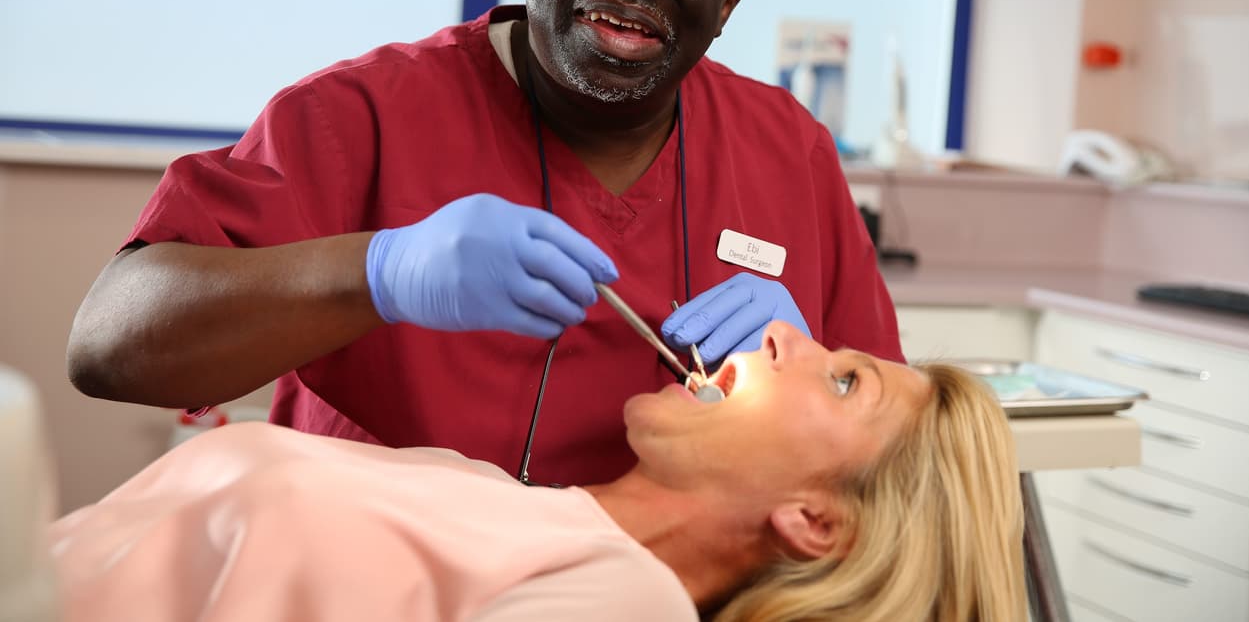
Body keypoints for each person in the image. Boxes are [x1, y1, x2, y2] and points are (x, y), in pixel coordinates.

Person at [66, 0, 902, 487]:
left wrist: (827, 369)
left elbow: (901, 442)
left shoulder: (787, 149)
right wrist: (381, 271)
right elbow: (107, 343)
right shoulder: (361, 117)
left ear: (728, 4)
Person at [50, 322, 1026, 622]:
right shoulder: (502, 504)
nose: (782, 329)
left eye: (843, 377)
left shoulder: (617, 599)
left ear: (815, 521)